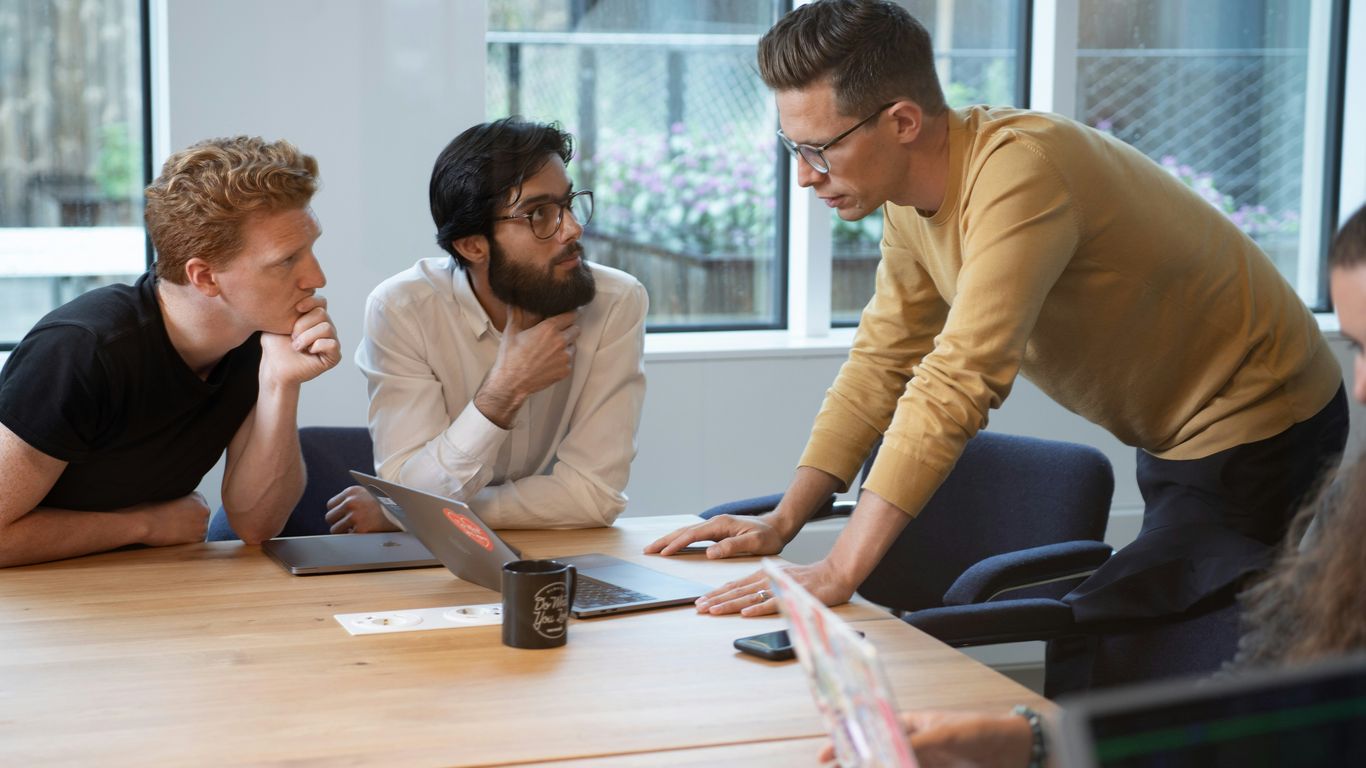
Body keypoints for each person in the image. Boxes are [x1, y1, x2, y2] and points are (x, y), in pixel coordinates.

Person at [648, 0, 1347, 632]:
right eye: (793, 149)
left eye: (819, 149)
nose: (805, 175)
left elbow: (959, 380)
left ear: (901, 121)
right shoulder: (909, 204)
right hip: (1176, 433)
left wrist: (838, 570)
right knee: (1149, 634)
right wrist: (784, 521)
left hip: (1264, 419)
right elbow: (882, 362)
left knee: (1119, 638)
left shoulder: (1020, 174)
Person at [821, 202, 1366, 768]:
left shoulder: (1023, 181)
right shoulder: (1351, 524)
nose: (1360, 389)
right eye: (1357, 348)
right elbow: (1258, 714)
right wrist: (1030, 743)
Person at [0, 136, 340, 567]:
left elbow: (256, 526)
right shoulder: (81, 351)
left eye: (311, 249)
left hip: (143, 587)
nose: (317, 277)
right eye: (286, 260)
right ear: (205, 278)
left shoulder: (253, 337)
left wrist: (280, 382)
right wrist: (143, 525)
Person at [323, 118, 647, 533]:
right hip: (426, 567)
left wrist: (407, 513)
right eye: (539, 214)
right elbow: (408, 491)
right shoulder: (404, 309)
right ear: (472, 245)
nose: (573, 228)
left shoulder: (616, 301)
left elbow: (593, 496)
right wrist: (504, 391)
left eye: (567, 204)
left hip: (552, 559)